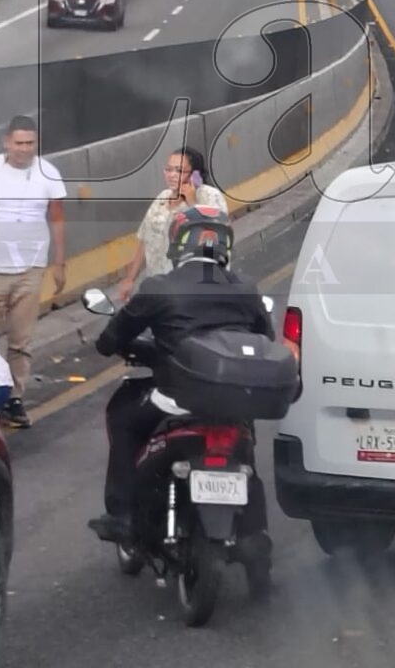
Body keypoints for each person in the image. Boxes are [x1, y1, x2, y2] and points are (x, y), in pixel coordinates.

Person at [88, 204, 274, 545]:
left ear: (178, 244)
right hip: (233, 403)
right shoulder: (246, 288)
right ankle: (255, 534)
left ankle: (124, 515)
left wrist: (113, 345)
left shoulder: (160, 286)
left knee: (123, 419)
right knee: (245, 447)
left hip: (174, 399)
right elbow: (267, 339)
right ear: (225, 245)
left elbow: (111, 339)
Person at [0, 115, 67, 429]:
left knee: (21, 341)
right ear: (7, 142)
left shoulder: (48, 174)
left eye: (30, 143)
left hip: (30, 269)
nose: (24, 149)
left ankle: (14, 398)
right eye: (18, 143)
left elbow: (57, 219)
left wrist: (59, 263)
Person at [116, 147, 227, 304]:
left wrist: (192, 202)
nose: (172, 175)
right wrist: (130, 279)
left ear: (194, 174)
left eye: (179, 170)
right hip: (159, 287)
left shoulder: (209, 196)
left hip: (193, 290)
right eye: (168, 169)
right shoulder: (163, 197)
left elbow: (214, 236)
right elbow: (145, 239)